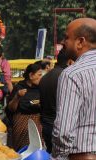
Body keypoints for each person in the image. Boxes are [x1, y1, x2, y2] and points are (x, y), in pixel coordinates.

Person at [52, 18, 96, 160]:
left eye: (66, 37)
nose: (63, 42)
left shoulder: (72, 74)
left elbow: (63, 131)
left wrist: (59, 156)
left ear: (80, 42)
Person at [39, 49, 70, 153]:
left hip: (46, 126)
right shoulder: (66, 77)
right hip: (60, 128)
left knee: (51, 153)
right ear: (70, 61)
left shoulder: (44, 78)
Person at [7, 63, 43, 151]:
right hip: (21, 122)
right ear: (31, 75)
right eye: (39, 75)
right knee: (23, 149)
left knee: (37, 148)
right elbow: (11, 109)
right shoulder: (19, 87)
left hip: (37, 122)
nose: (41, 77)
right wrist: (17, 97)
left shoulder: (41, 88)